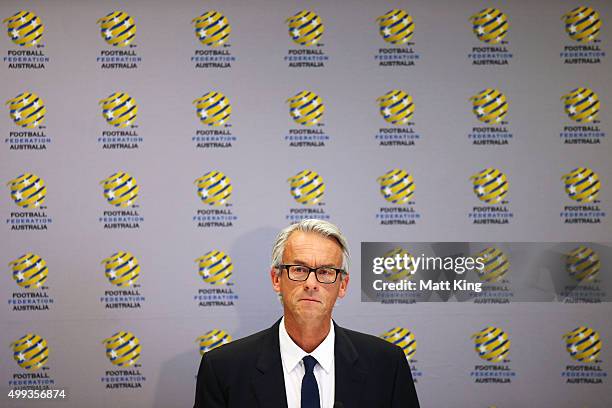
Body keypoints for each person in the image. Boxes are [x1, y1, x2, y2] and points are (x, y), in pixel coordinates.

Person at [194, 219, 419, 407]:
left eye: (325, 271)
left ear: (342, 285)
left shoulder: (387, 365)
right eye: (299, 269)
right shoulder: (223, 368)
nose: (311, 283)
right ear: (276, 279)